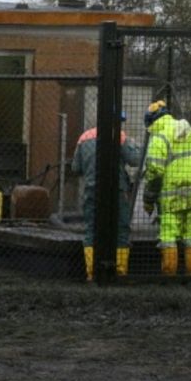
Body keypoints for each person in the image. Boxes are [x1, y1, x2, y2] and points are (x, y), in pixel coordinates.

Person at [69, 112, 141, 280]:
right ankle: (120, 272)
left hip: (92, 189)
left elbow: (75, 167)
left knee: (91, 229)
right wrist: (135, 146)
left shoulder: (84, 137)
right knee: (121, 229)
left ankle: (92, 273)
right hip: (117, 189)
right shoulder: (120, 137)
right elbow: (135, 160)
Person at [142, 100, 191, 276]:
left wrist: (148, 199)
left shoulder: (159, 137)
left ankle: (169, 277)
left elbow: (155, 173)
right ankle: (190, 274)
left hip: (171, 199)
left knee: (169, 235)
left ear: (151, 121)